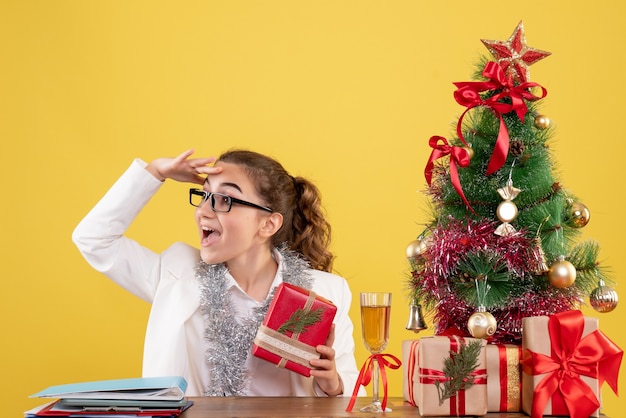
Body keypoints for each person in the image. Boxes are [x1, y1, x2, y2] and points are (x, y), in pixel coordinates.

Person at [72, 148, 363, 398]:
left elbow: (353, 395)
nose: (203, 211)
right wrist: (155, 171)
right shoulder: (176, 274)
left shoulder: (325, 293)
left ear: (268, 225)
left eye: (225, 200)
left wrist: (333, 383)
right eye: (203, 195)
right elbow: (94, 239)